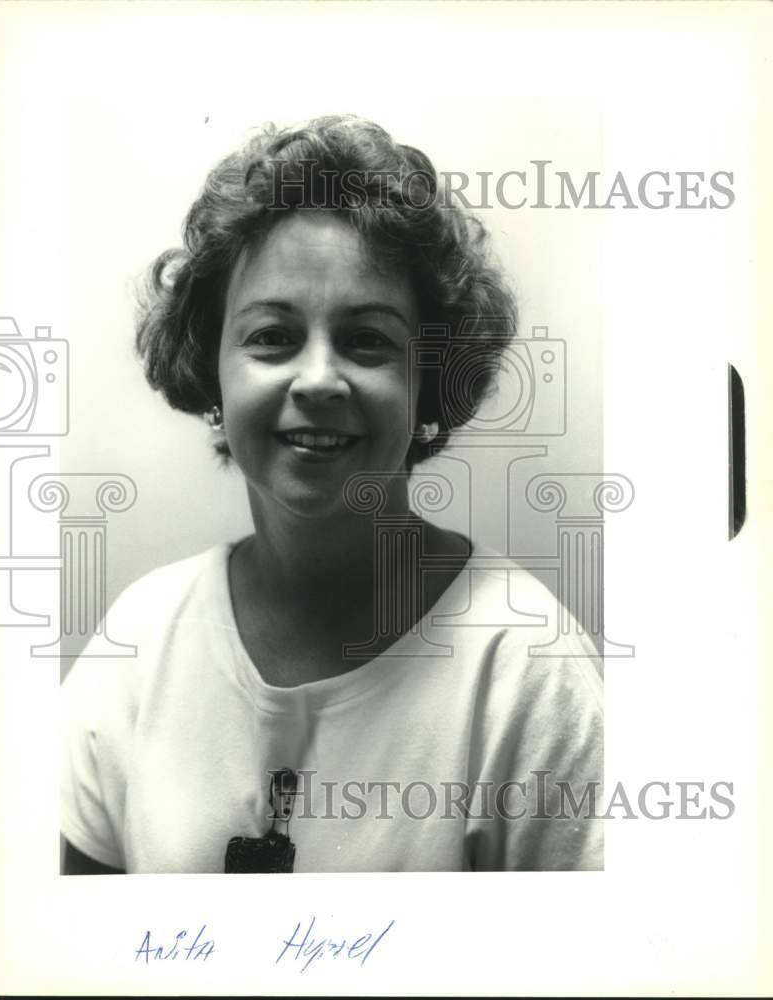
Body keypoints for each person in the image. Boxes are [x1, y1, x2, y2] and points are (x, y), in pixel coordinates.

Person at [61, 115, 603, 874]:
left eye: (368, 340)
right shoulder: (140, 637)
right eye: (272, 337)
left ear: (427, 385)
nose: (317, 379)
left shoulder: (526, 669)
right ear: (208, 370)